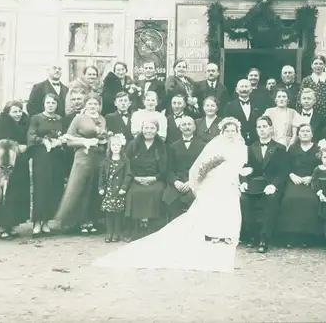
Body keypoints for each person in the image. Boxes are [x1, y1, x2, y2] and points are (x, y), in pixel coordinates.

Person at [93, 117, 247, 273]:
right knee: (168, 197)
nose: (229, 133)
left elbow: (242, 167)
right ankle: (141, 229)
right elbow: (190, 168)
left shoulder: (238, 147)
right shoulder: (183, 146)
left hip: (225, 182)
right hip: (192, 181)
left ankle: (225, 233)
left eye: (232, 131)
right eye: (226, 130)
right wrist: (180, 182)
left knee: (228, 201)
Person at [55, 94, 108, 234]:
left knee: (94, 189)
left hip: (99, 157)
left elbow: (103, 136)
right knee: (80, 188)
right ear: (86, 105)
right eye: (90, 104)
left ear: (99, 105)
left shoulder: (102, 119)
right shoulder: (78, 119)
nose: (93, 106)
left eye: (96, 104)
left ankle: (92, 220)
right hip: (83, 157)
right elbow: (69, 140)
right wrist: (85, 142)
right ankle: (78, 221)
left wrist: (104, 140)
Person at [239, 116, 287, 253]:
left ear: (271, 128)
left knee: (271, 199)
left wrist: (274, 185)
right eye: (259, 127)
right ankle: (252, 235)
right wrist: (243, 182)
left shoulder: (280, 148)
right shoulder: (251, 148)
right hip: (256, 183)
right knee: (244, 198)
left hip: (272, 183)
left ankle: (264, 238)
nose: (262, 130)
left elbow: (283, 171)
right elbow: (245, 167)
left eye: (265, 126)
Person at [27, 94, 67, 236]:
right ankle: (37, 222)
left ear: (57, 105)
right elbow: (31, 135)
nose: (51, 105)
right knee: (40, 187)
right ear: (44, 104)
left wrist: (59, 141)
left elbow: (63, 135)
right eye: (48, 102)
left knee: (52, 186)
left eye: (53, 103)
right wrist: (43, 141)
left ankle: (46, 222)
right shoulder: (36, 118)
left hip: (55, 157)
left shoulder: (59, 119)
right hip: (41, 156)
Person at [0, 101, 31, 239]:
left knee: (17, 195)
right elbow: (0, 142)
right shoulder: (3, 124)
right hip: (6, 165)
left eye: (19, 111)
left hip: (21, 164)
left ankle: (12, 224)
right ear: (8, 112)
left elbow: (29, 140)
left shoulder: (26, 123)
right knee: (5, 193)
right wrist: (16, 146)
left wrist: (26, 147)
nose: (18, 114)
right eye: (14, 111)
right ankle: (2, 227)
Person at [276, 123, 320, 247]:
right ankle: (290, 236)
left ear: (312, 134)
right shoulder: (292, 149)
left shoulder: (317, 149)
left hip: (310, 180)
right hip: (294, 179)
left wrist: (312, 177)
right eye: (302, 131)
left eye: (307, 131)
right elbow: (285, 166)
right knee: (289, 199)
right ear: (298, 134)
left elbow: (321, 167)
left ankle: (306, 236)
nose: (305, 133)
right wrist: (292, 175)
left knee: (310, 200)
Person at [124, 119, 167, 237]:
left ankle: (152, 226)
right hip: (136, 178)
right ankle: (135, 228)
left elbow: (164, 167)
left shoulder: (161, 145)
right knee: (133, 192)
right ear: (142, 130)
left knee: (157, 191)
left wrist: (154, 178)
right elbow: (126, 164)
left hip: (155, 179)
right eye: (146, 128)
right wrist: (135, 177)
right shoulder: (133, 144)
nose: (149, 131)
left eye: (152, 128)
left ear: (157, 130)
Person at [162, 116, 206, 221]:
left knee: (196, 199)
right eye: (184, 125)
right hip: (178, 183)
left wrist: (191, 182)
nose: (187, 127)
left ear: (194, 127)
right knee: (170, 198)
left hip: (196, 182)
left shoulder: (203, 145)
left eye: (189, 124)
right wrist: (176, 182)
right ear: (180, 128)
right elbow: (169, 169)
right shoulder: (173, 146)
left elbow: (205, 168)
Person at [98, 134, 132, 243]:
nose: (115, 147)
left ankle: (117, 233)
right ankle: (109, 233)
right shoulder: (106, 161)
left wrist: (124, 188)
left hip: (119, 191)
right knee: (109, 213)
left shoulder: (125, 161)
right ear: (110, 147)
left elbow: (128, 175)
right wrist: (101, 187)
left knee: (118, 213)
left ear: (121, 147)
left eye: (118, 145)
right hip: (109, 190)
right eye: (113, 145)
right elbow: (102, 176)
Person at [298, 55, 326, 120]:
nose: (318, 66)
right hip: (311, 115)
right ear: (312, 65)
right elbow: (300, 99)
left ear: (324, 65)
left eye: (320, 64)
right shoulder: (306, 80)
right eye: (316, 64)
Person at [223, 79, 263, 145]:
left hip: (256, 142)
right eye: (241, 87)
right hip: (236, 142)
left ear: (251, 90)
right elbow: (227, 126)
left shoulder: (258, 105)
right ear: (236, 89)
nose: (244, 89)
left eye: (246, 87)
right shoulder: (229, 106)